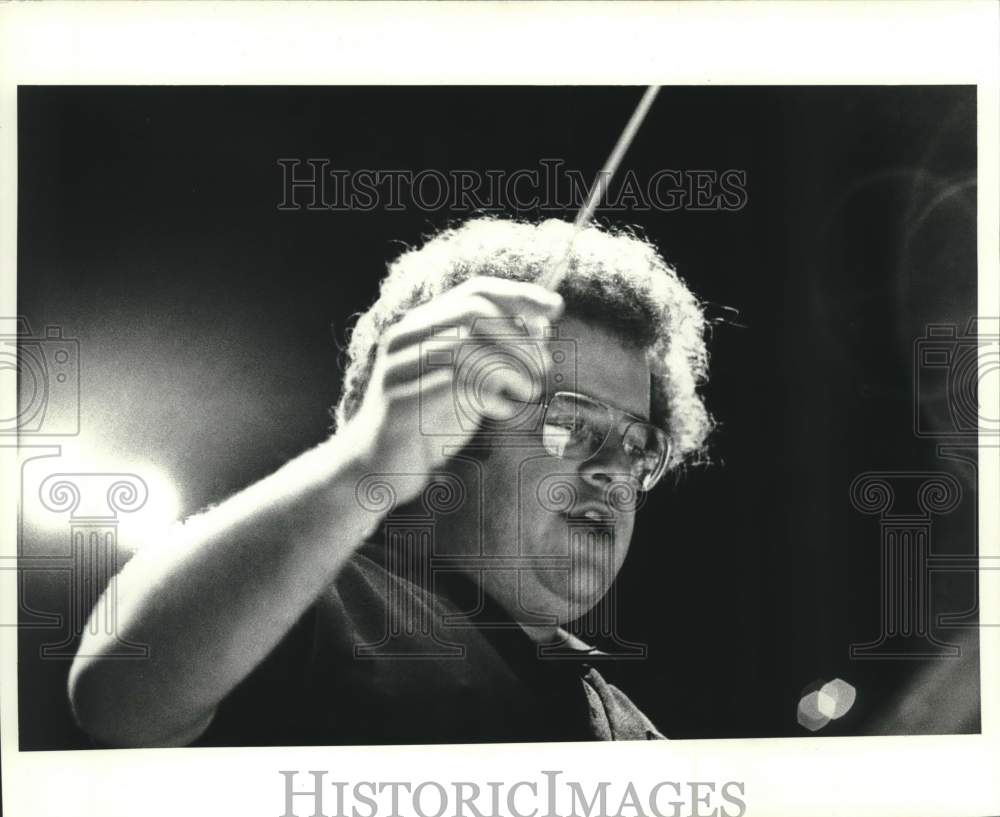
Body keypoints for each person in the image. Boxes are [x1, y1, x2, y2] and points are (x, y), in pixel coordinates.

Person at [67, 216, 713, 747]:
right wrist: (365, 460)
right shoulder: (308, 603)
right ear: (440, 431)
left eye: (638, 443)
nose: (614, 470)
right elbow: (117, 691)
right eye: (572, 422)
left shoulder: (639, 738)